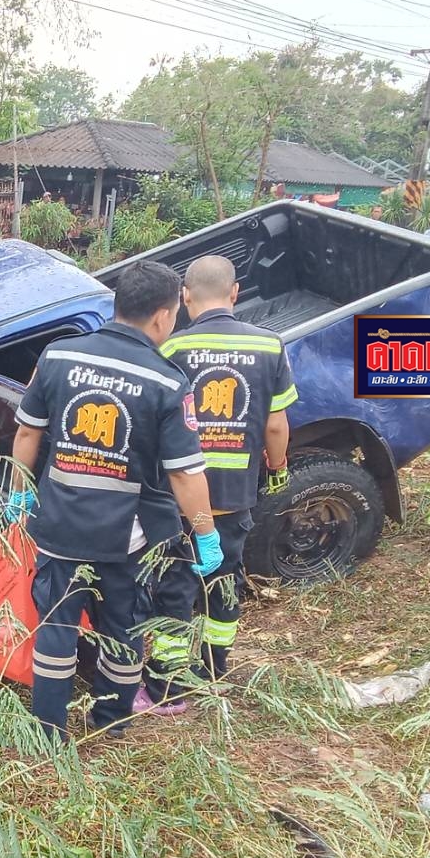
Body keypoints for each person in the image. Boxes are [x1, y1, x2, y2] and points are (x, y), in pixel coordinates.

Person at [7, 261, 222, 739]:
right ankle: (111, 725)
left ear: (117, 304)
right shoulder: (168, 382)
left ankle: (48, 731)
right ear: (164, 316)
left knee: (56, 629)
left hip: (59, 525)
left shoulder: (58, 356)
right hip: (126, 538)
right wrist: (206, 534)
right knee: (122, 630)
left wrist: (20, 494)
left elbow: (26, 431)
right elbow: (185, 475)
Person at [145, 255, 297, 708]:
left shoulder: (172, 350)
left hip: (178, 500)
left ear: (185, 297)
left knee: (176, 585)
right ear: (235, 293)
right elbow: (275, 425)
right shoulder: (270, 347)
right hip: (234, 497)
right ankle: (213, 669)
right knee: (224, 581)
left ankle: (168, 683)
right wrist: (278, 467)